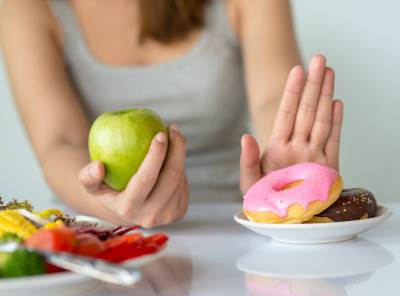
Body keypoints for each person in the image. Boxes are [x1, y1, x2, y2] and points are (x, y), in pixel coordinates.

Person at [0, 0, 343, 227]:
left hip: (228, 230)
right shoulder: (25, 7)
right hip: (97, 235)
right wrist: (113, 207)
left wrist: (283, 170)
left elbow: (272, 99)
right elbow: (59, 141)